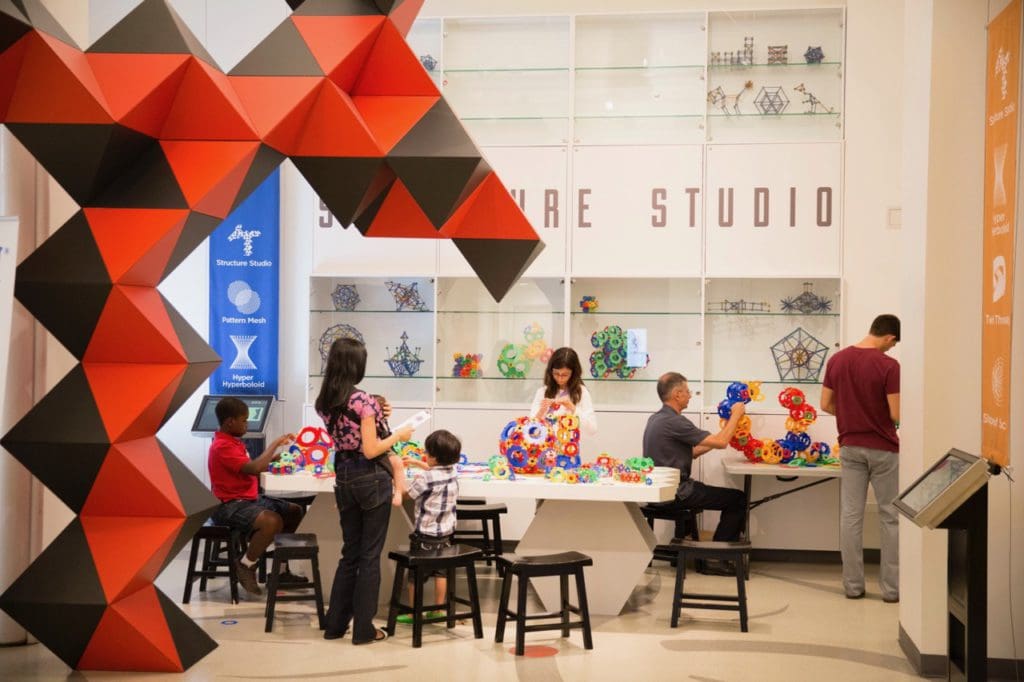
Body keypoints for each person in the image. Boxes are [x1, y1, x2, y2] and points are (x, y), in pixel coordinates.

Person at [316, 337, 413, 644]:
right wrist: (399, 433)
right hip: (371, 479)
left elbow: (354, 436)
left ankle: (335, 626)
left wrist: (380, 416)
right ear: (356, 364)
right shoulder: (363, 400)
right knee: (370, 557)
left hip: (343, 476)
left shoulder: (325, 401)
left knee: (350, 554)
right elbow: (371, 449)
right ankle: (364, 629)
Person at [820, 314, 900, 603]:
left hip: (850, 446)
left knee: (851, 516)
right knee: (890, 517)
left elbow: (825, 404)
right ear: (890, 337)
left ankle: (853, 587)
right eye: (892, 345)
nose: (890, 350)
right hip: (884, 449)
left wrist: (853, 416)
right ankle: (892, 590)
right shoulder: (889, 366)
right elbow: (895, 414)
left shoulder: (837, 360)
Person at [208, 397, 303, 596]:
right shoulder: (222, 446)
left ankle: (282, 570)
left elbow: (252, 466)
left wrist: (277, 458)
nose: (247, 424)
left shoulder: (234, 443)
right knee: (272, 521)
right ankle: (246, 564)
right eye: (244, 420)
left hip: (247, 499)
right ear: (230, 422)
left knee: (293, 511)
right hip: (228, 505)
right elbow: (254, 468)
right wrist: (276, 444)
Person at [642, 372, 748, 551]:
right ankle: (717, 556)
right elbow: (722, 442)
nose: (690, 395)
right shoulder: (675, 422)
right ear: (677, 394)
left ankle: (693, 550)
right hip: (677, 493)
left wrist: (715, 438)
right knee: (737, 499)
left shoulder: (657, 418)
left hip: (658, 491)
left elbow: (691, 452)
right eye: (688, 391)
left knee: (726, 495)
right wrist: (735, 416)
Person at [396, 429, 462, 623]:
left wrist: (398, 481)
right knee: (441, 571)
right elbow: (435, 471)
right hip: (446, 535)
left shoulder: (425, 478)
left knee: (415, 575)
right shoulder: (452, 472)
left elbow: (408, 495)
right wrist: (418, 463)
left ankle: (413, 612)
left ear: (432, 455)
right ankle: (439, 609)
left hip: (425, 535)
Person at [530, 347, 597, 437]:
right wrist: (541, 411)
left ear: (573, 373)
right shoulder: (542, 392)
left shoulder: (581, 392)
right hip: (546, 449)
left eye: (565, 375)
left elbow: (592, 430)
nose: (560, 378)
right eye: (556, 373)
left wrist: (572, 407)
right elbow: (530, 431)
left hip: (570, 449)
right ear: (550, 371)